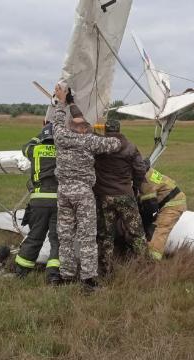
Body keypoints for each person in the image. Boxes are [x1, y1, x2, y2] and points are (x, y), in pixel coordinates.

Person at [51, 83, 121, 292]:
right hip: (82, 193)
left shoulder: (60, 136)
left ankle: (66, 275)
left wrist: (63, 102)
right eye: (85, 126)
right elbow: (114, 145)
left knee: (65, 236)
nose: (86, 127)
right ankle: (89, 280)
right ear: (81, 129)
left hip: (63, 192)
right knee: (87, 236)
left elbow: (57, 120)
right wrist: (100, 134)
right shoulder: (89, 141)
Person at [94, 119, 147, 276]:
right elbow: (140, 169)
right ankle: (144, 268)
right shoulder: (130, 147)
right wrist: (135, 187)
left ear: (106, 130)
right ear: (119, 129)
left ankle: (105, 272)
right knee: (137, 233)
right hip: (125, 195)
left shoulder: (98, 147)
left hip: (103, 197)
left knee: (105, 236)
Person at [14, 122, 60, 284]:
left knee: (35, 236)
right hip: (59, 202)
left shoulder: (35, 150)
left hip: (39, 201)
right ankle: (54, 275)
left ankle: (21, 271)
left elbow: (25, 146)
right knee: (57, 239)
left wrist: (39, 136)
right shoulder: (63, 151)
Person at [139, 163, 187, 260]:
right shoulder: (147, 171)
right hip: (169, 199)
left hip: (173, 204)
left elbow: (150, 207)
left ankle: (152, 261)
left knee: (158, 231)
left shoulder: (145, 180)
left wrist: (145, 224)